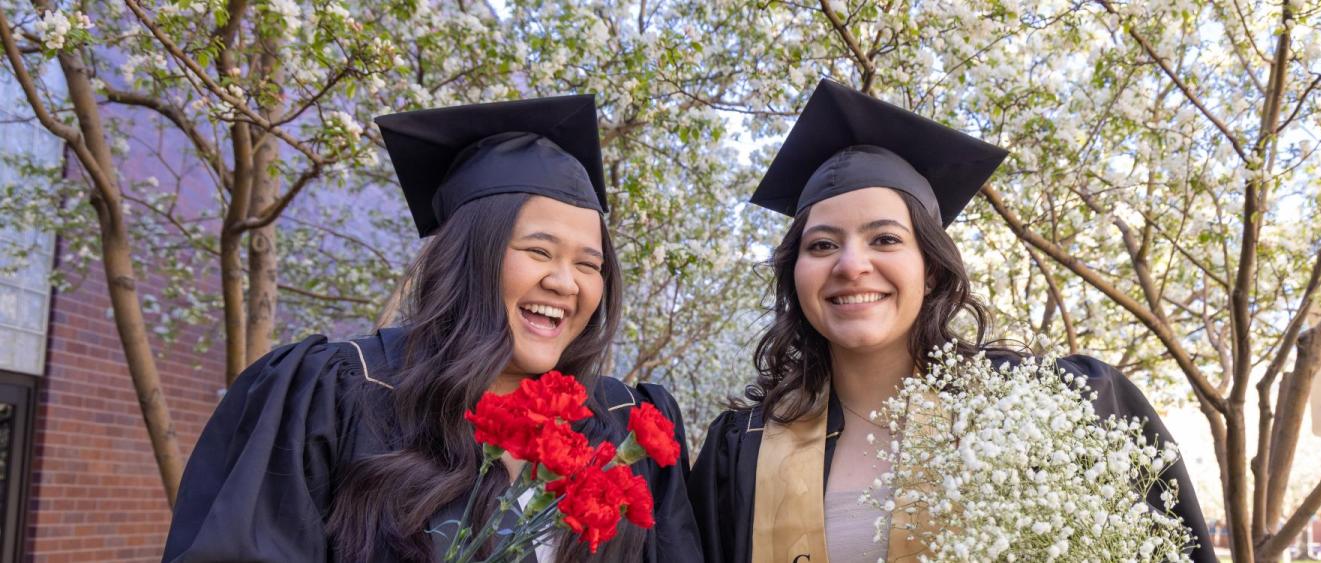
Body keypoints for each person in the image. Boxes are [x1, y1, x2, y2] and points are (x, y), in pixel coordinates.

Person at [687, 79, 1214, 563]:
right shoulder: (743, 450)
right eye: (822, 245)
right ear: (796, 276)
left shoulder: (1048, 408)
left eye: (885, 239)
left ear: (933, 270)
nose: (850, 266)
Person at [164, 96, 702, 562]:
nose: (566, 282)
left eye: (590, 264)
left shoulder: (618, 422)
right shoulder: (340, 392)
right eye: (539, 251)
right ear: (467, 255)